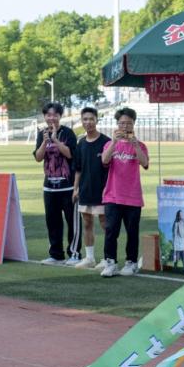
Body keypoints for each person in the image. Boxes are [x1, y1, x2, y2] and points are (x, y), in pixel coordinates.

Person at [100, 107, 149, 277]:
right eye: (122, 123)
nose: (125, 126)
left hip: (133, 196)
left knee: (132, 232)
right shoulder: (109, 144)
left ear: (134, 124)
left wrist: (135, 145)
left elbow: (144, 163)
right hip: (112, 195)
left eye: (128, 123)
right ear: (117, 124)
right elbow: (104, 160)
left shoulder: (140, 145)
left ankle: (131, 262)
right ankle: (110, 262)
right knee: (111, 231)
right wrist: (114, 142)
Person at [32, 101, 77, 265]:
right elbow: (38, 158)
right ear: (44, 116)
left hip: (68, 186)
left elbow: (71, 154)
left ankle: (74, 254)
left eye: (55, 115)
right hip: (49, 187)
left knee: (72, 222)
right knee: (53, 222)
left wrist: (56, 140)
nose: (52, 118)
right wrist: (45, 142)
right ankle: (56, 255)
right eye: (48, 115)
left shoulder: (68, 133)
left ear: (60, 116)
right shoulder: (41, 134)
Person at [72, 107, 111, 269]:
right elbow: (78, 169)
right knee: (87, 223)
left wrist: (108, 189)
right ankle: (89, 258)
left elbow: (111, 169)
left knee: (105, 224)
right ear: (82, 121)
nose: (88, 122)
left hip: (102, 191)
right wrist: (75, 189)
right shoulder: (81, 143)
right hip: (85, 190)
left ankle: (109, 258)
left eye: (91, 119)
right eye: (85, 119)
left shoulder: (106, 142)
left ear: (96, 120)